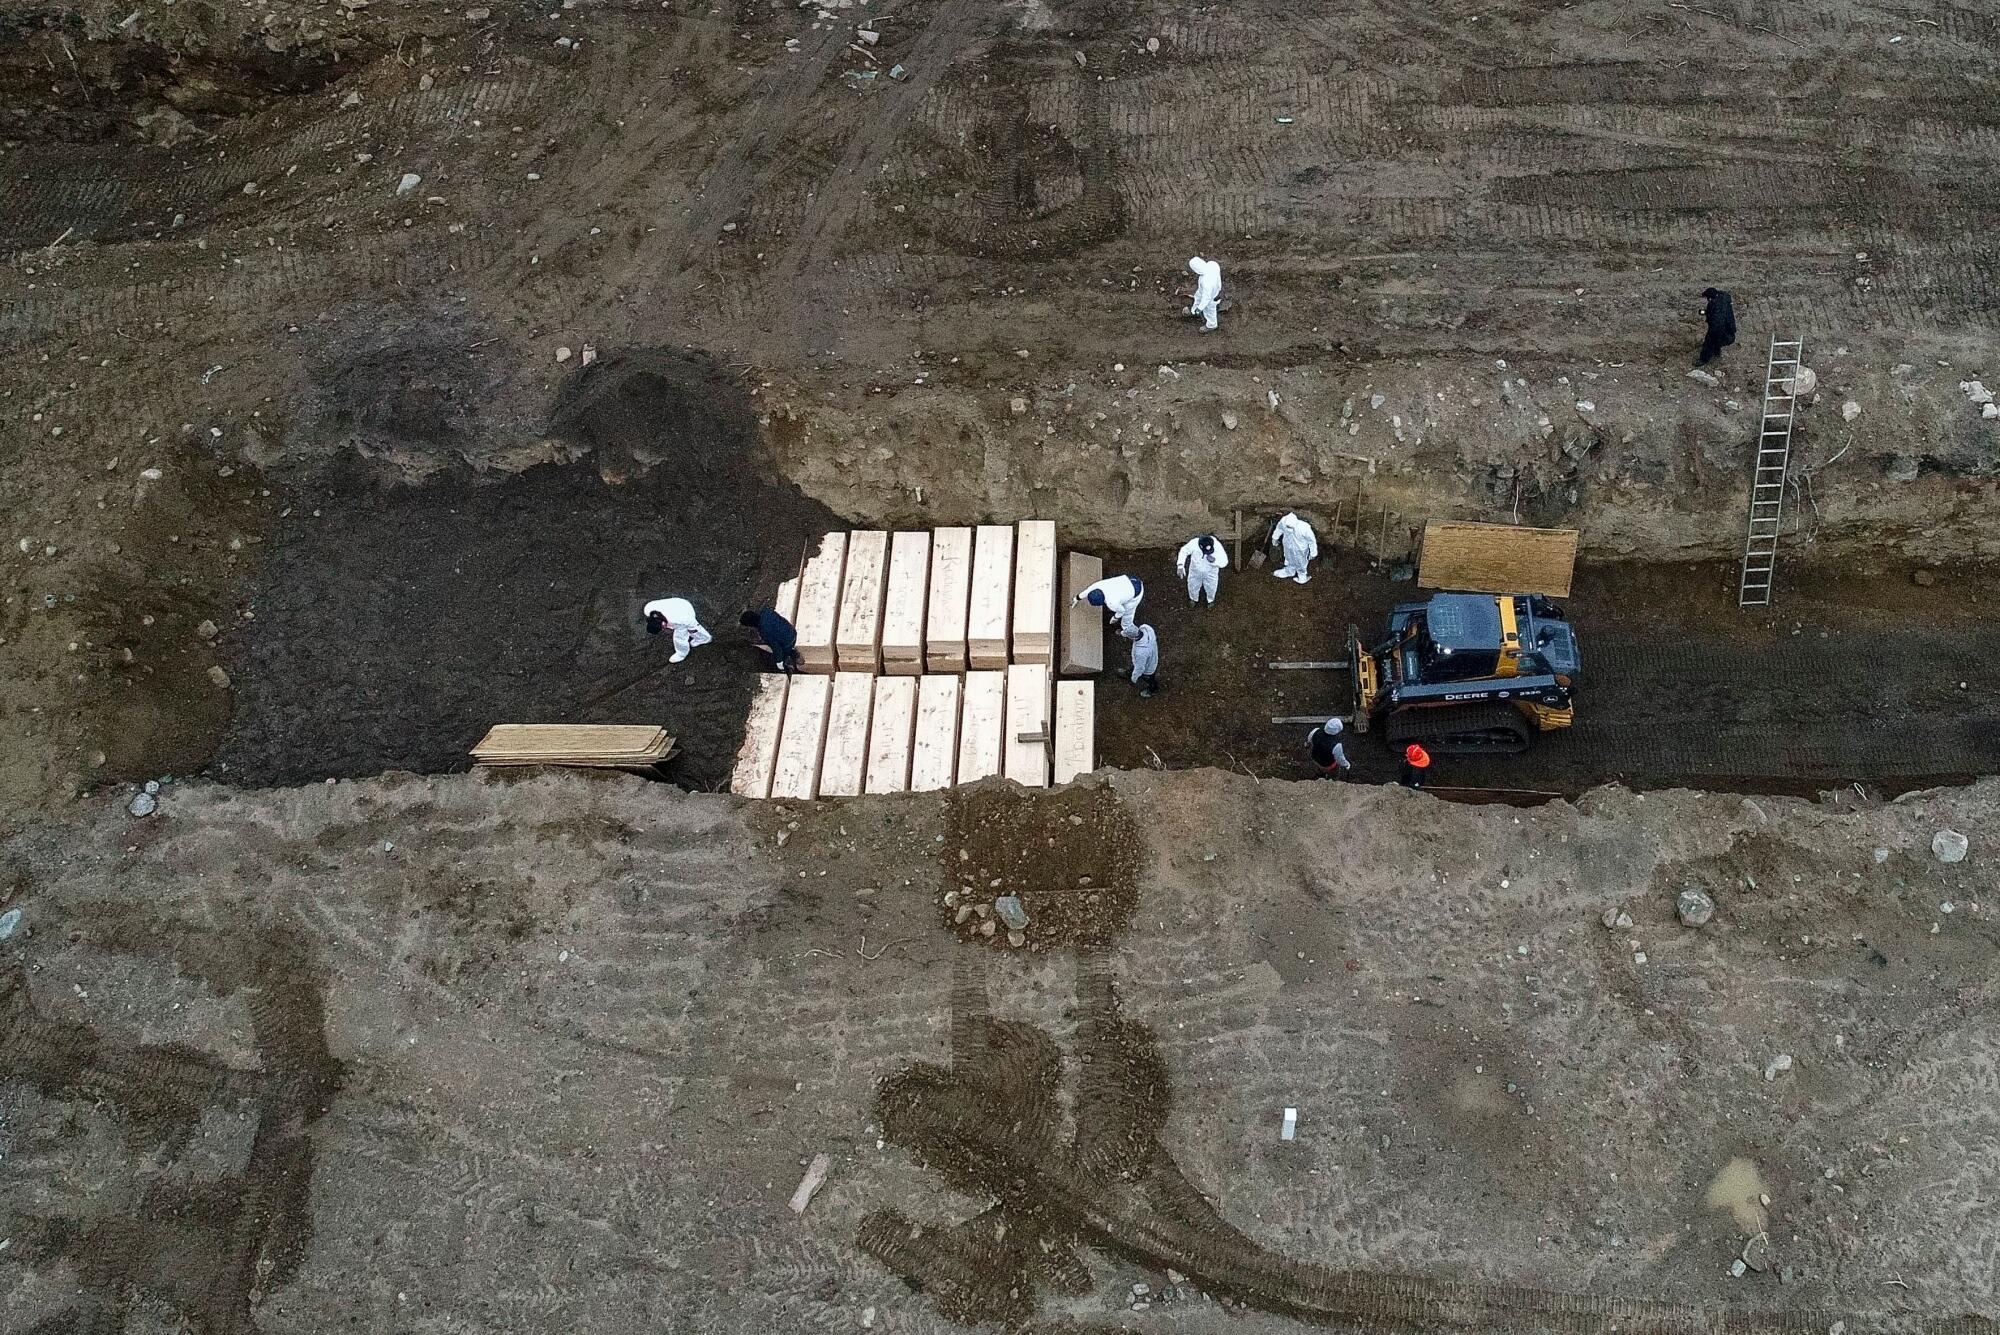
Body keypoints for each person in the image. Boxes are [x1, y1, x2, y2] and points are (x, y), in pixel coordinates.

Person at [643, 595, 711, 664]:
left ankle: (682, 654)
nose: (663, 630)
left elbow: (691, 623)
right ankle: (703, 638)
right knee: (687, 631)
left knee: (679, 638)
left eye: (663, 628)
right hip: (679, 603)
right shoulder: (648, 609)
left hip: (685, 612)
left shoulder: (678, 620)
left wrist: (691, 629)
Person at [1072, 574, 1145, 633]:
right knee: (1121, 600)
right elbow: (1087, 591)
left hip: (1136, 592)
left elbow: (1122, 611)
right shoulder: (1098, 585)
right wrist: (1076, 598)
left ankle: (1128, 630)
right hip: (1130, 579)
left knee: (1128, 614)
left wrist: (1115, 618)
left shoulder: (1111, 603)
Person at [740, 607, 801, 673]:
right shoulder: (767, 611)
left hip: (788, 643)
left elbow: (776, 648)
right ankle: (794, 653)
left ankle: (789, 661)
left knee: (784, 653)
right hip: (791, 631)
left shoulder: (764, 631)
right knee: (780, 638)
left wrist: (779, 662)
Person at [1175, 533, 1229, 605]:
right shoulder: (1194, 543)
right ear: (1200, 546)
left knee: (1211, 587)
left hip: (1211, 572)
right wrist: (1180, 565)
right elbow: (1184, 551)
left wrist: (1214, 561)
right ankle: (1193, 599)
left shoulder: (1217, 546)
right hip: (1195, 571)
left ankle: (1210, 600)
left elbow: (1224, 561)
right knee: (1192, 585)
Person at [1269, 511, 1319, 584]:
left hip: (1300, 549)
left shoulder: (1304, 527)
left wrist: (1313, 552)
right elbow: (1279, 529)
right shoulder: (1284, 521)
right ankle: (1289, 571)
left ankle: (1302, 575)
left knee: (1300, 561)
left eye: (1290, 527)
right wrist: (1275, 538)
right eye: (1288, 527)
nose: (1289, 528)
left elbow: (1311, 541)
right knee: (1288, 557)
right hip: (1288, 545)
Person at [1697, 287, 1736, 367]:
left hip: (1720, 328)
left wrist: (1712, 331)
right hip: (1728, 326)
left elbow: (1717, 322)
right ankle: (1716, 351)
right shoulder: (1723, 298)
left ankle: (1703, 359)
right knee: (1717, 340)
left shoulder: (1717, 308)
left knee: (1709, 342)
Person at [1123, 622, 1160, 697]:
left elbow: (1140, 668)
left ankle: (1153, 690)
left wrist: (1134, 678)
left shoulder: (1141, 652)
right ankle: (1129, 673)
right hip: (1152, 654)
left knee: (1149, 679)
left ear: (1132, 638)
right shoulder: (1146, 628)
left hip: (1148, 668)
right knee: (1135, 667)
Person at [1187, 256, 1222, 332]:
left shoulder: (1207, 283)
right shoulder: (1212, 264)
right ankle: (1193, 311)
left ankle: (1211, 325)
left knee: (1209, 310)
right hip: (1206, 291)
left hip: (1212, 296)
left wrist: (1200, 309)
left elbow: (1206, 299)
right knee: (1197, 298)